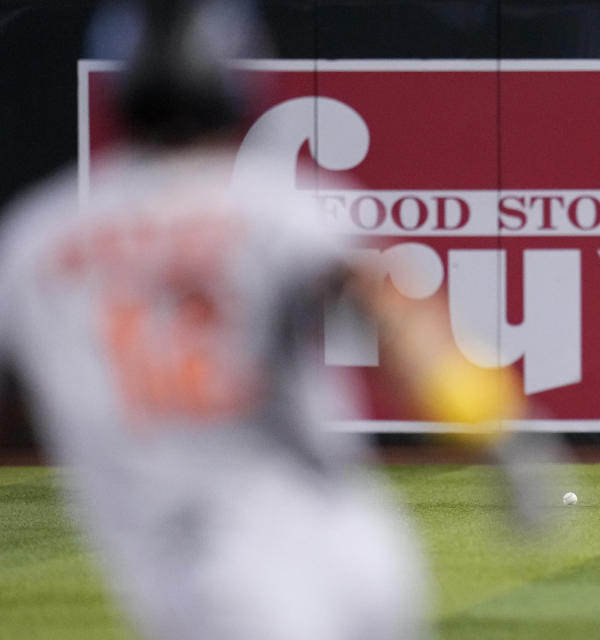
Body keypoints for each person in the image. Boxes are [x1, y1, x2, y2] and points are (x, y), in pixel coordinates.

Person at [0, 2, 527, 638]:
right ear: (234, 85)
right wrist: (494, 426)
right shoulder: (281, 200)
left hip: (207, 569)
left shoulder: (37, 242)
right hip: (354, 544)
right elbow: (391, 307)